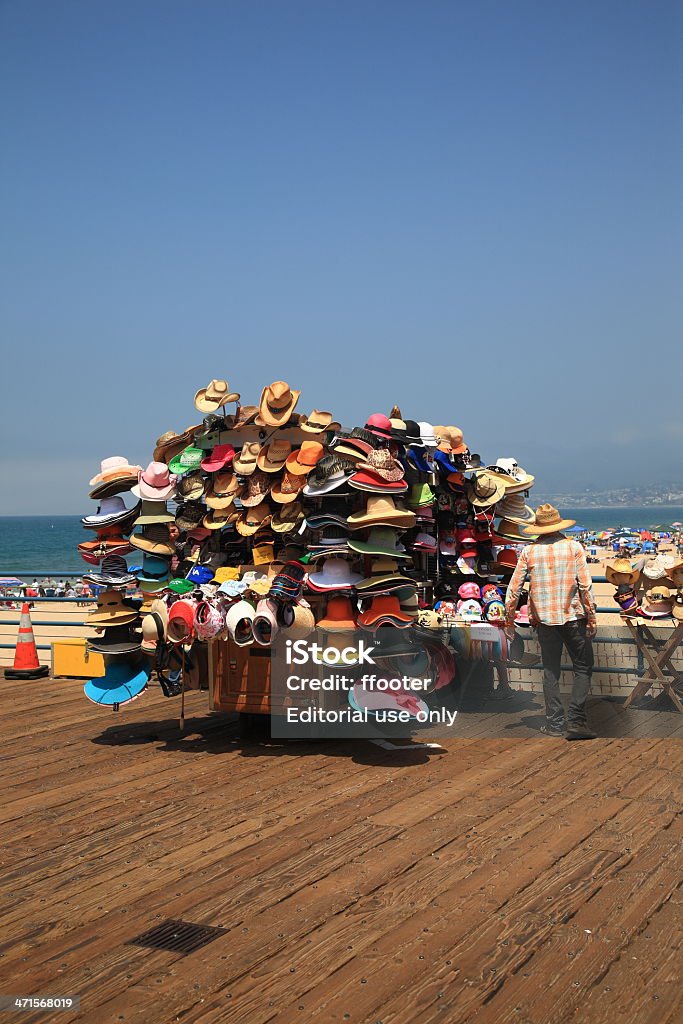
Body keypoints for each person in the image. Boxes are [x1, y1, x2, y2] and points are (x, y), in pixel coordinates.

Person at [505, 503, 597, 740]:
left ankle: (555, 723)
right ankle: (576, 721)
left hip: (544, 621)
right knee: (583, 667)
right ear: (558, 525)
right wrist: (592, 617)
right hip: (573, 618)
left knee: (550, 670)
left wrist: (509, 619)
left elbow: (514, 589)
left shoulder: (529, 551)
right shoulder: (574, 547)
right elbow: (585, 586)